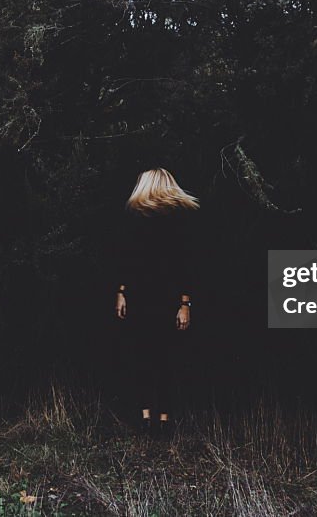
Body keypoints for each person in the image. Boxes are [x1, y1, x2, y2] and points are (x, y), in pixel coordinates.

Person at [113, 167, 200, 439]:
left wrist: (122, 291)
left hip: (144, 297)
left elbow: (126, 260)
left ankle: (148, 418)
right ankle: (161, 421)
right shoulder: (178, 219)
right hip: (164, 298)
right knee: (164, 358)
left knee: (144, 357)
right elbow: (187, 266)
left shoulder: (142, 218)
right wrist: (185, 303)